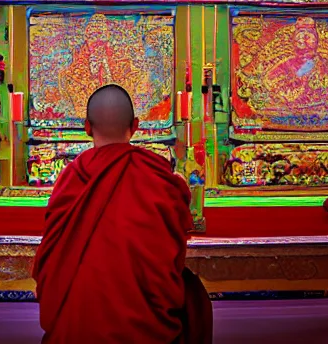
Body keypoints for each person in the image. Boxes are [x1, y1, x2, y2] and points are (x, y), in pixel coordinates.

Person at [33, 84, 212, 343]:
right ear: (136, 125)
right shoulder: (157, 176)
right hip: (144, 329)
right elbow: (171, 256)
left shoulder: (71, 178)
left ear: (86, 127)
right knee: (193, 300)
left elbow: (50, 260)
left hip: (76, 331)